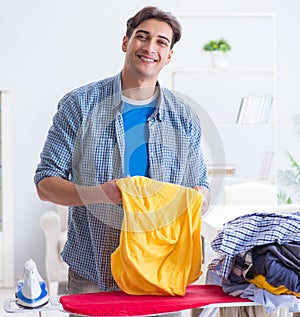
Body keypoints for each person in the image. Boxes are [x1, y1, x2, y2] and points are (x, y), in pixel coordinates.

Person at [34, 6, 210, 317]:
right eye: (142, 37)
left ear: (169, 56)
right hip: (95, 272)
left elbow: (201, 188)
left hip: (162, 274)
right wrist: (99, 194)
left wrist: (198, 198)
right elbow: (46, 184)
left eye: (161, 42)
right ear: (125, 42)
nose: (150, 47)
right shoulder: (80, 105)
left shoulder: (185, 118)